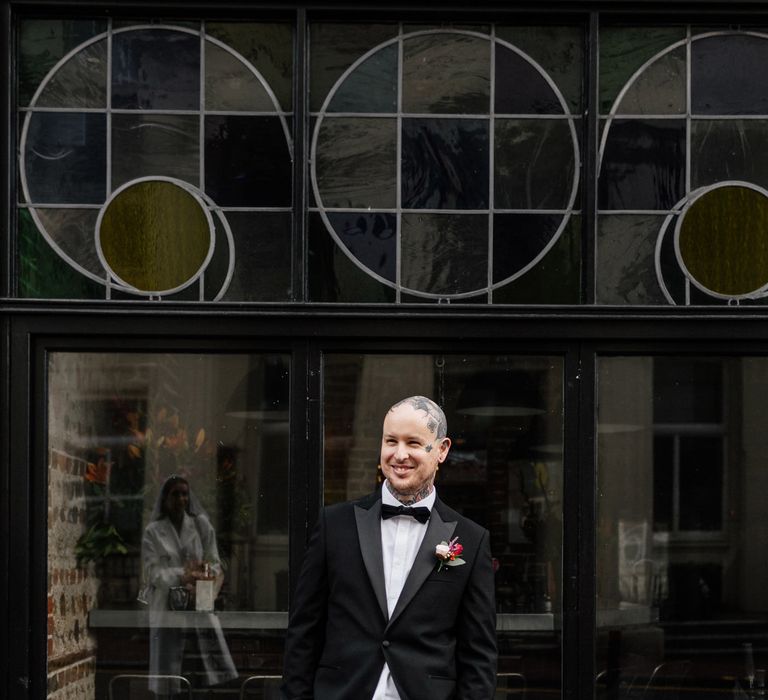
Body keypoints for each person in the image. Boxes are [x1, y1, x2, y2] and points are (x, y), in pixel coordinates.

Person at [282, 396, 497, 699]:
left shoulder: (471, 540)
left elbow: (478, 656)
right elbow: (303, 633)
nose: (399, 455)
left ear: (442, 450)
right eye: (390, 441)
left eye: (413, 443)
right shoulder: (335, 525)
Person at [142, 474, 238, 697]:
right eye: (175, 494)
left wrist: (202, 576)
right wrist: (182, 575)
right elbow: (153, 572)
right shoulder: (153, 532)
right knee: (169, 677)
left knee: (200, 670)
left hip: (198, 604)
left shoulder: (201, 525)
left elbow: (214, 562)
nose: (181, 499)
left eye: (185, 494)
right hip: (168, 607)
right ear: (166, 498)